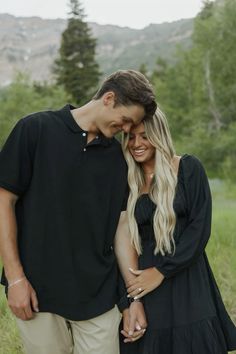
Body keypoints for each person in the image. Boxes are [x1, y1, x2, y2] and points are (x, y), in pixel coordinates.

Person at [0, 69, 157, 354]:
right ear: (108, 98)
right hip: (37, 292)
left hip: (98, 294)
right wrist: (15, 279)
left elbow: (121, 228)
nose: (126, 131)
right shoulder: (35, 130)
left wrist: (134, 298)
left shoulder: (117, 161)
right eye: (125, 120)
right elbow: (3, 202)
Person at [115, 106, 236, 353]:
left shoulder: (188, 168)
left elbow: (199, 229)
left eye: (145, 136)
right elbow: (121, 243)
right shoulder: (126, 181)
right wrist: (130, 299)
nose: (137, 143)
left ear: (159, 135)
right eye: (131, 137)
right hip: (146, 288)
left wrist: (161, 271)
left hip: (188, 281)